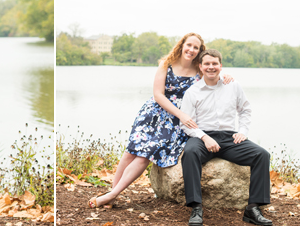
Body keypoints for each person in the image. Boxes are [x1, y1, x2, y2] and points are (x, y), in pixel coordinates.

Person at [89, 32, 231, 208]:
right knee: (131, 151)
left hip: (177, 124)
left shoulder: (199, 69)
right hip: (154, 114)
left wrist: (226, 78)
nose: (191, 50)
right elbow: (158, 95)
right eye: (189, 45)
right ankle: (111, 195)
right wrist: (181, 114)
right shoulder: (167, 64)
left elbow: (213, 74)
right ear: (182, 45)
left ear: (200, 51)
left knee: (145, 155)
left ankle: (111, 195)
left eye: (196, 47)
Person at [180, 49, 272, 226]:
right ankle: (196, 208)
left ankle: (253, 208)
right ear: (200, 67)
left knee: (262, 155)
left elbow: (245, 110)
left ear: (220, 66)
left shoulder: (233, 85)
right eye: (207, 64)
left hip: (230, 138)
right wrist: (204, 137)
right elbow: (186, 123)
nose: (211, 67)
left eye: (215, 64)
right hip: (202, 136)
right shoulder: (192, 92)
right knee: (190, 153)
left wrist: (242, 131)